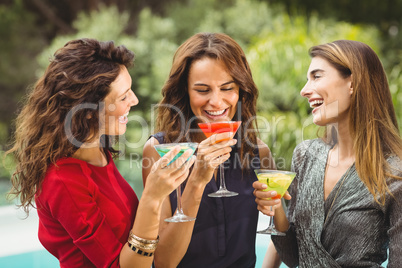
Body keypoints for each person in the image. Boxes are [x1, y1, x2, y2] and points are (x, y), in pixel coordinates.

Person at [6, 38, 195, 268]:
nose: (134, 100)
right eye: (123, 96)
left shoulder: (99, 153)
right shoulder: (63, 180)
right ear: (87, 110)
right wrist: (153, 197)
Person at [254, 40, 402, 267]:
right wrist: (276, 208)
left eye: (316, 76)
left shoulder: (394, 173)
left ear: (352, 83)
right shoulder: (305, 156)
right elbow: (296, 256)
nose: (304, 90)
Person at [142, 32, 278, 267]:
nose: (216, 101)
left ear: (241, 90)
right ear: (184, 91)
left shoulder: (258, 153)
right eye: (203, 90)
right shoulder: (159, 150)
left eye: (227, 88)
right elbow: (164, 262)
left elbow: (282, 233)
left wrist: (276, 205)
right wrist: (196, 181)